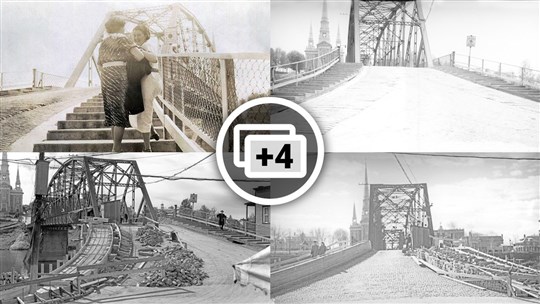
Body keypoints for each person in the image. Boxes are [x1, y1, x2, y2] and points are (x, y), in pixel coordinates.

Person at [98, 16, 145, 152]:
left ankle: (115, 146)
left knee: (112, 111)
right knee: (120, 111)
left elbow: (99, 63)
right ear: (121, 27)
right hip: (119, 75)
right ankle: (116, 148)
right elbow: (139, 56)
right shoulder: (124, 39)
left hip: (106, 76)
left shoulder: (104, 42)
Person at [126, 24, 161, 152]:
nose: (136, 37)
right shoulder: (141, 46)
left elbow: (154, 58)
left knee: (145, 111)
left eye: (139, 35)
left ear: (145, 35)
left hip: (149, 80)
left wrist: (139, 49)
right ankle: (152, 132)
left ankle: (147, 148)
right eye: (134, 35)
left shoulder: (146, 45)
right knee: (144, 108)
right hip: (147, 79)